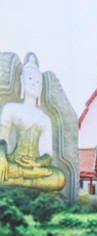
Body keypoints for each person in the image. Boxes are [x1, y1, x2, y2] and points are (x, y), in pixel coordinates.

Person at [0, 52, 65, 192]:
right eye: (30, 78)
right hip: (14, 162)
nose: (34, 84)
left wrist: (36, 164)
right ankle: (27, 178)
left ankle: (19, 179)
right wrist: (1, 156)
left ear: (41, 87)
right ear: (22, 81)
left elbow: (48, 155)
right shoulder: (11, 108)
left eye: (37, 81)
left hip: (35, 166)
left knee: (60, 177)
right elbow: (2, 139)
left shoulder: (45, 119)